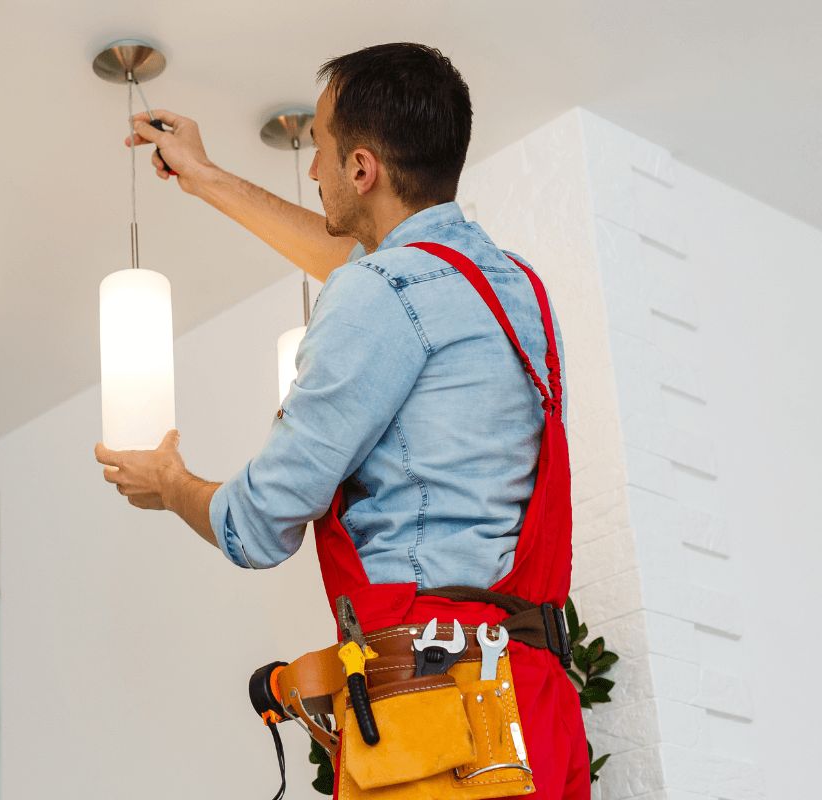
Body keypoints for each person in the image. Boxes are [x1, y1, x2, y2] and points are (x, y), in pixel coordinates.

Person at [94, 42, 589, 799]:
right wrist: (210, 179)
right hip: (528, 716)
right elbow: (378, 277)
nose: (314, 171)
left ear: (362, 169)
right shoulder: (509, 287)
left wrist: (173, 484)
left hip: (436, 732)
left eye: (320, 152)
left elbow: (258, 526)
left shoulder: (382, 296)